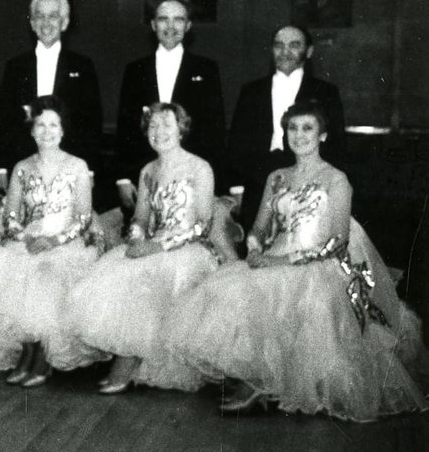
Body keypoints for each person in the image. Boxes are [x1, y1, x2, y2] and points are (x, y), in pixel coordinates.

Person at [168, 102, 428, 420]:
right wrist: (253, 250)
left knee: (304, 302)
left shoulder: (336, 179)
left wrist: (283, 262)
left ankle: (269, 384)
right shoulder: (277, 176)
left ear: (322, 135)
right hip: (279, 253)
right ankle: (258, 380)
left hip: (322, 262)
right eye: (292, 128)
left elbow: (337, 242)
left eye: (307, 128)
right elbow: (261, 228)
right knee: (237, 290)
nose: (299, 135)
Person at [69, 103, 226, 394]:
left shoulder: (199, 167)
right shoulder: (148, 170)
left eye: (167, 125)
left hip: (188, 248)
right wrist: (136, 236)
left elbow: (202, 225)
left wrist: (156, 246)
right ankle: (127, 357)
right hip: (153, 245)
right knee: (115, 274)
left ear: (182, 129)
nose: (159, 132)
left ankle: (126, 365)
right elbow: (141, 216)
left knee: (149, 281)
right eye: (153, 126)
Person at [0, 96, 105, 387]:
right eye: (41, 125)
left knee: (44, 281)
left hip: (64, 243)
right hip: (27, 240)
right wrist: (25, 236)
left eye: (53, 125)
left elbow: (83, 217)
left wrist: (53, 241)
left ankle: (42, 359)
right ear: (32, 130)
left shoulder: (77, 166)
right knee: (13, 281)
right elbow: (10, 214)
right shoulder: (22, 167)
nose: (47, 131)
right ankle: (26, 354)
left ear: (63, 131)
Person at [227, 25, 345, 232]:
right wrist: (236, 188)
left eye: (294, 45)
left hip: (306, 179)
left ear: (309, 51)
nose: (285, 51)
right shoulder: (251, 91)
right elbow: (236, 143)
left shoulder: (325, 92)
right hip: (257, 178)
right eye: (279, 46)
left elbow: (336, 143)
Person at [115, 0, 225, 209]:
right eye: (163, 20)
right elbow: (125, 125)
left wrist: (213, 182)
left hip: (190, 173)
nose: (170, 27)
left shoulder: (207, 69)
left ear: (188, 26)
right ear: (154, 25)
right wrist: (123, 178)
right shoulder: (135, 70)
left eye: (178, 20)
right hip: (143, 173)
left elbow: (215, 128)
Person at [0, 0, 102, 189]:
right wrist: (0, 167)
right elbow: (4, 118)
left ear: (65, 23)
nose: (46, 23)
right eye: (40, 16)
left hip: (70, 162)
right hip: (22, 160)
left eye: (53, 16)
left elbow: (92, 121)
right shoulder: (15, 66)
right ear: (32, 24)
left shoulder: (83, 65)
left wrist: (90, 169)